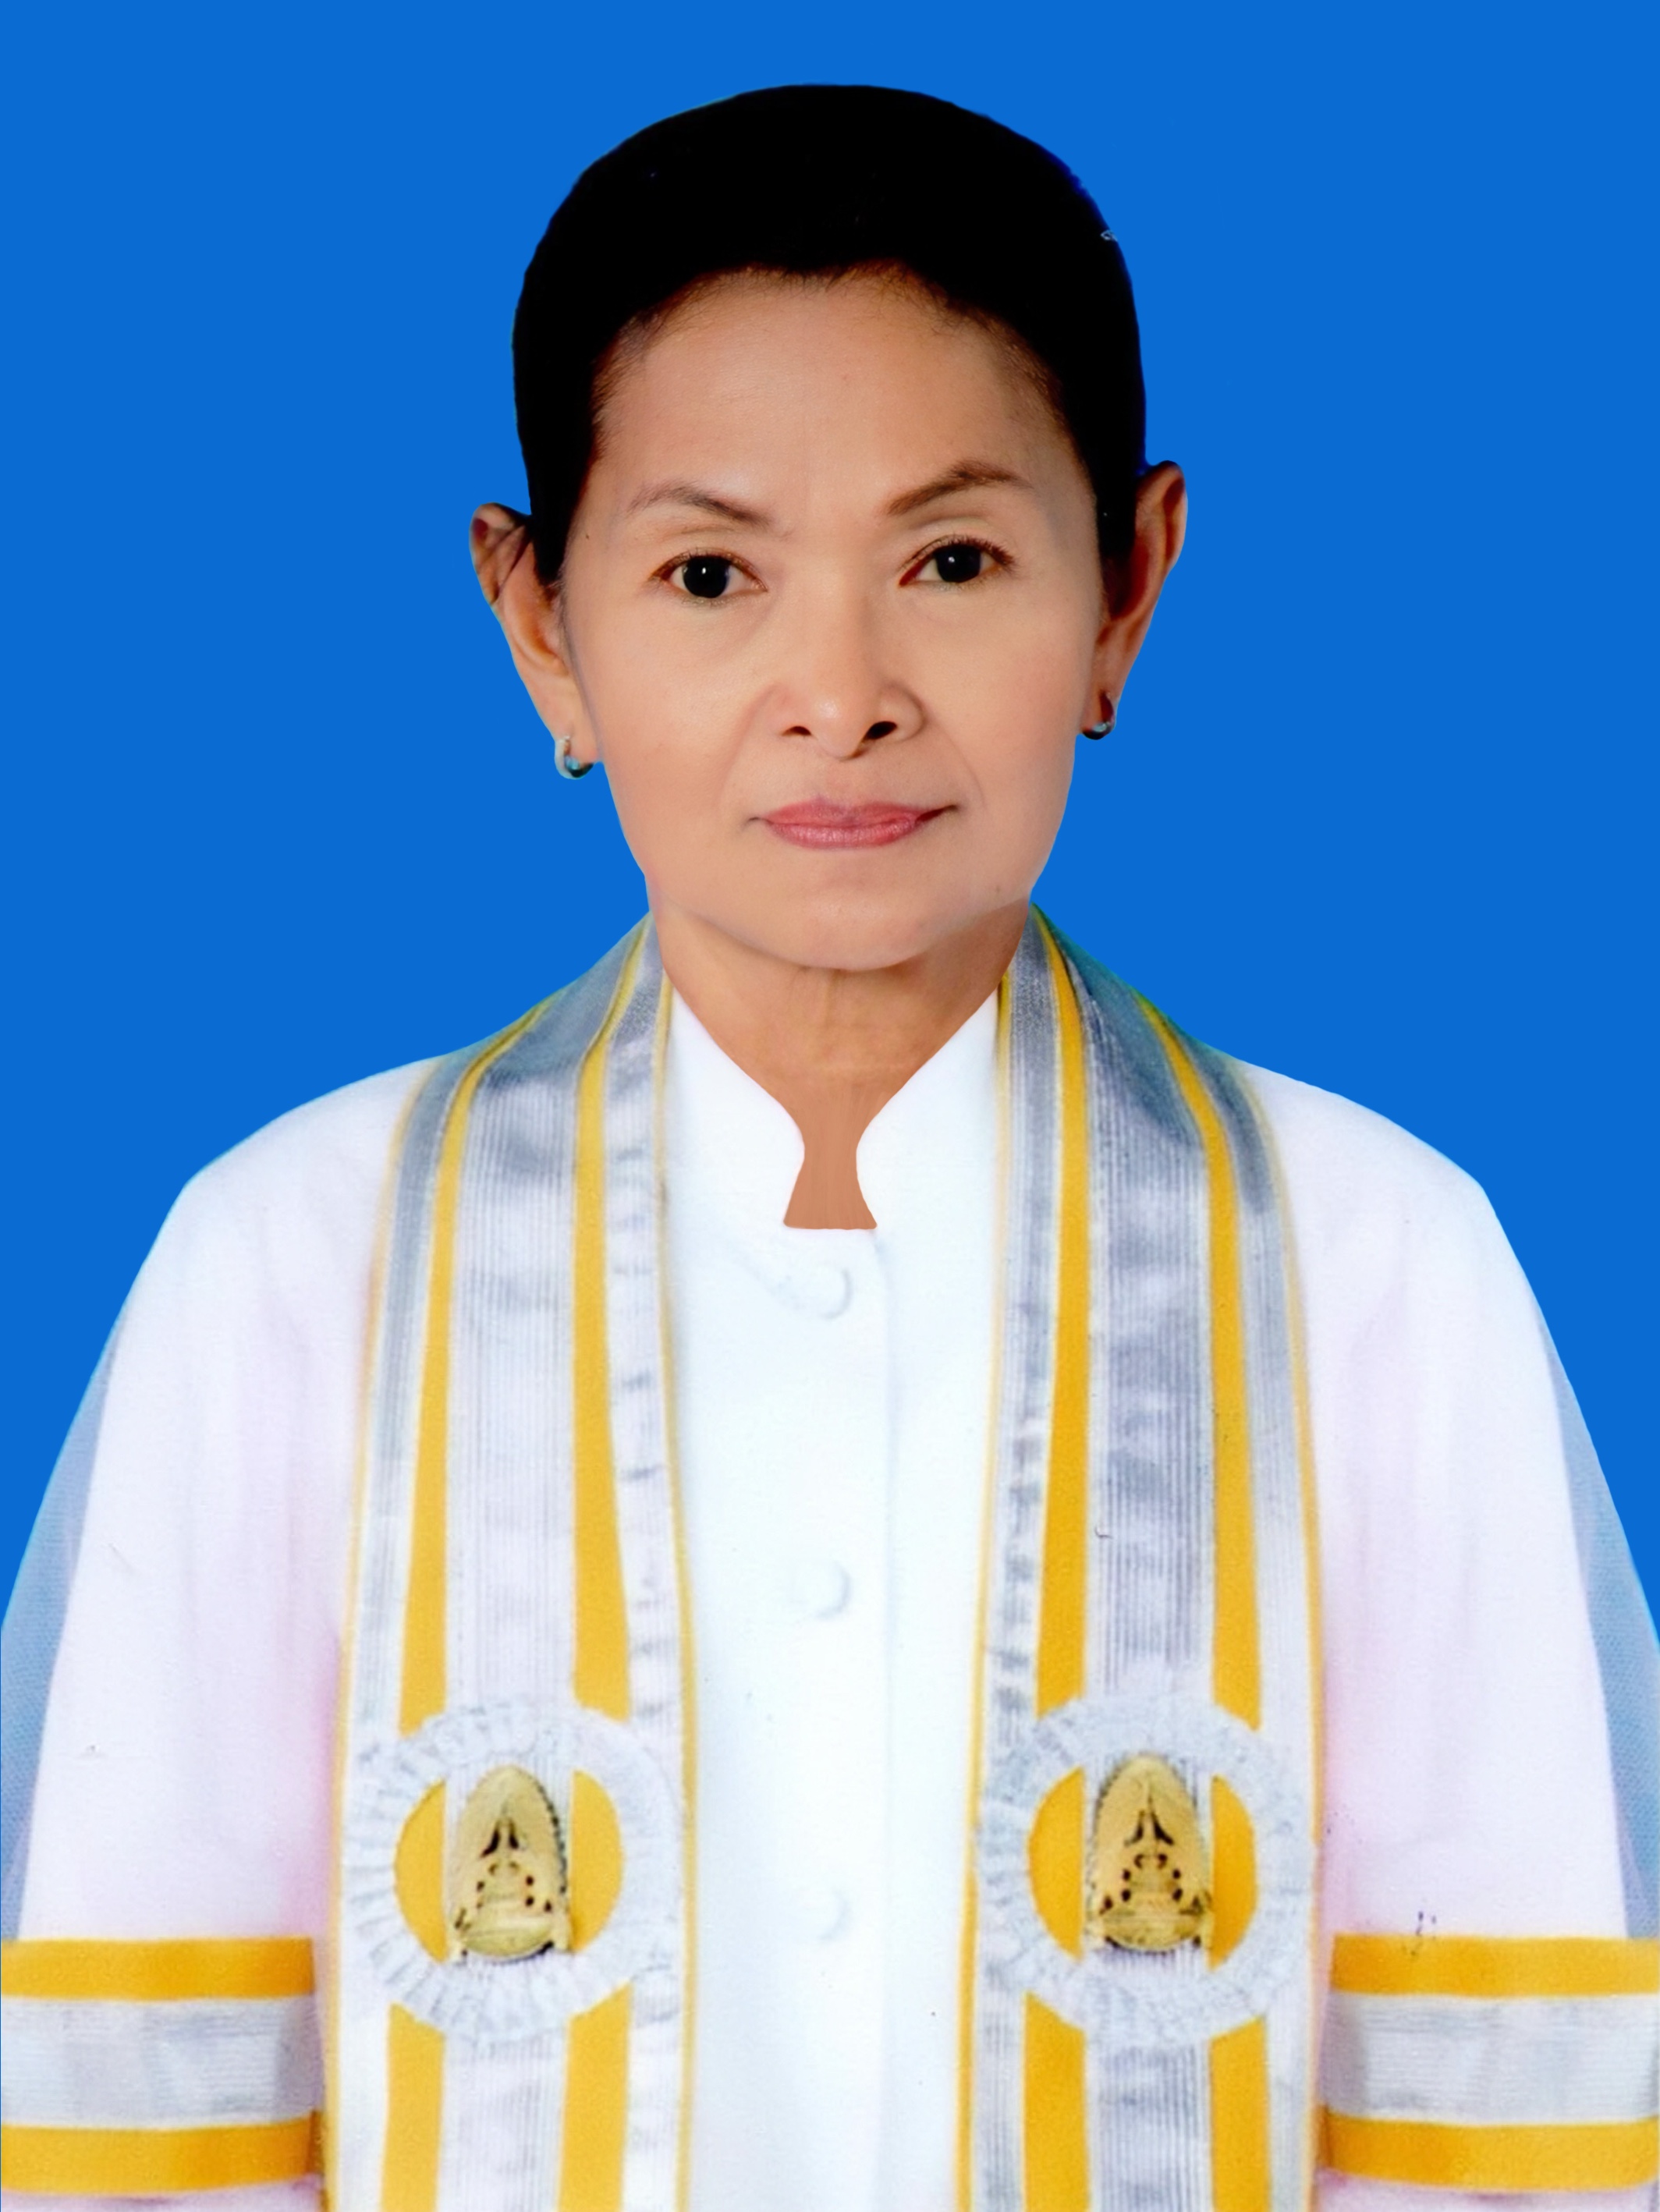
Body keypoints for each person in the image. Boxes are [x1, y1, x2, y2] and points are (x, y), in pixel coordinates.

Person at [2, 83, 1654, 2212]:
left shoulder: (1375, 1264)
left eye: (952, 561)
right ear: (540, 624)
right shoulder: (292, 1266)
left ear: (1128, 587)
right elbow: (141, 2133)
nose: (840, 692)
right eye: (710, 574)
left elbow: (1503, 2135)